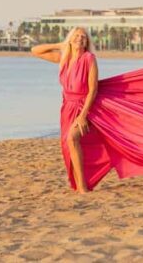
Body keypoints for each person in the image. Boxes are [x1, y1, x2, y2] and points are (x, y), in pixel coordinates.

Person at [30, 27, 98, 193]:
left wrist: (83, 116)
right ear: (70, 39)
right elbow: (34, 51)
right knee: (68, 146)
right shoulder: (64, 58)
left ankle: (82, 187)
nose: (80, 38)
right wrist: (61, 45)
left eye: (83, 37)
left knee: (72, 139)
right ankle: (81, 184)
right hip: (67, 107)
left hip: (84, 106)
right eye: (76, 36)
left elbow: (93, 90)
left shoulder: (89, 58)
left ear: (87, 42)